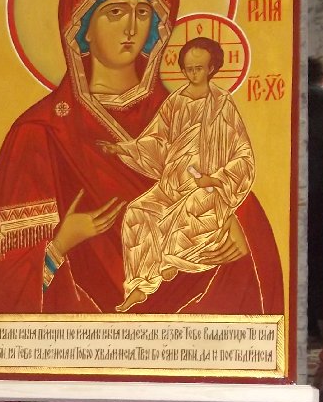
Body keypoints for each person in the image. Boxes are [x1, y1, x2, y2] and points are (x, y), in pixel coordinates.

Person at [0, 0, 283, 318]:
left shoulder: (194, 109)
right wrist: (60, 244)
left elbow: (234, 177)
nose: (132, 28)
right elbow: (1, 286)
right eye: (115, 12)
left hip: (192, 317)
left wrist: (234, 222)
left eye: (143, 12)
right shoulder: (42, 130)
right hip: (79, 331)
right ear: (82, 28)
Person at [103, 36, 255, 311]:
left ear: (211, 68)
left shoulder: (222, 104)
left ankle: (169, 262)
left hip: (207, 187)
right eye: (188, 69)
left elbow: (243, 155)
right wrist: (123, 149)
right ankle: (139, 285)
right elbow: (156, 141)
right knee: (138, 211)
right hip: (172, 185)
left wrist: (214, 179)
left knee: (190, 213)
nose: (192, 74)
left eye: (199, 68)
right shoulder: (175, 102)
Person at [306, 55, 323, 341]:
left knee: (301, 257)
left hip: (297, 192)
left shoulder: (293, 102)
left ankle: (308, 324)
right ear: (321, 77)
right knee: (321, 257)